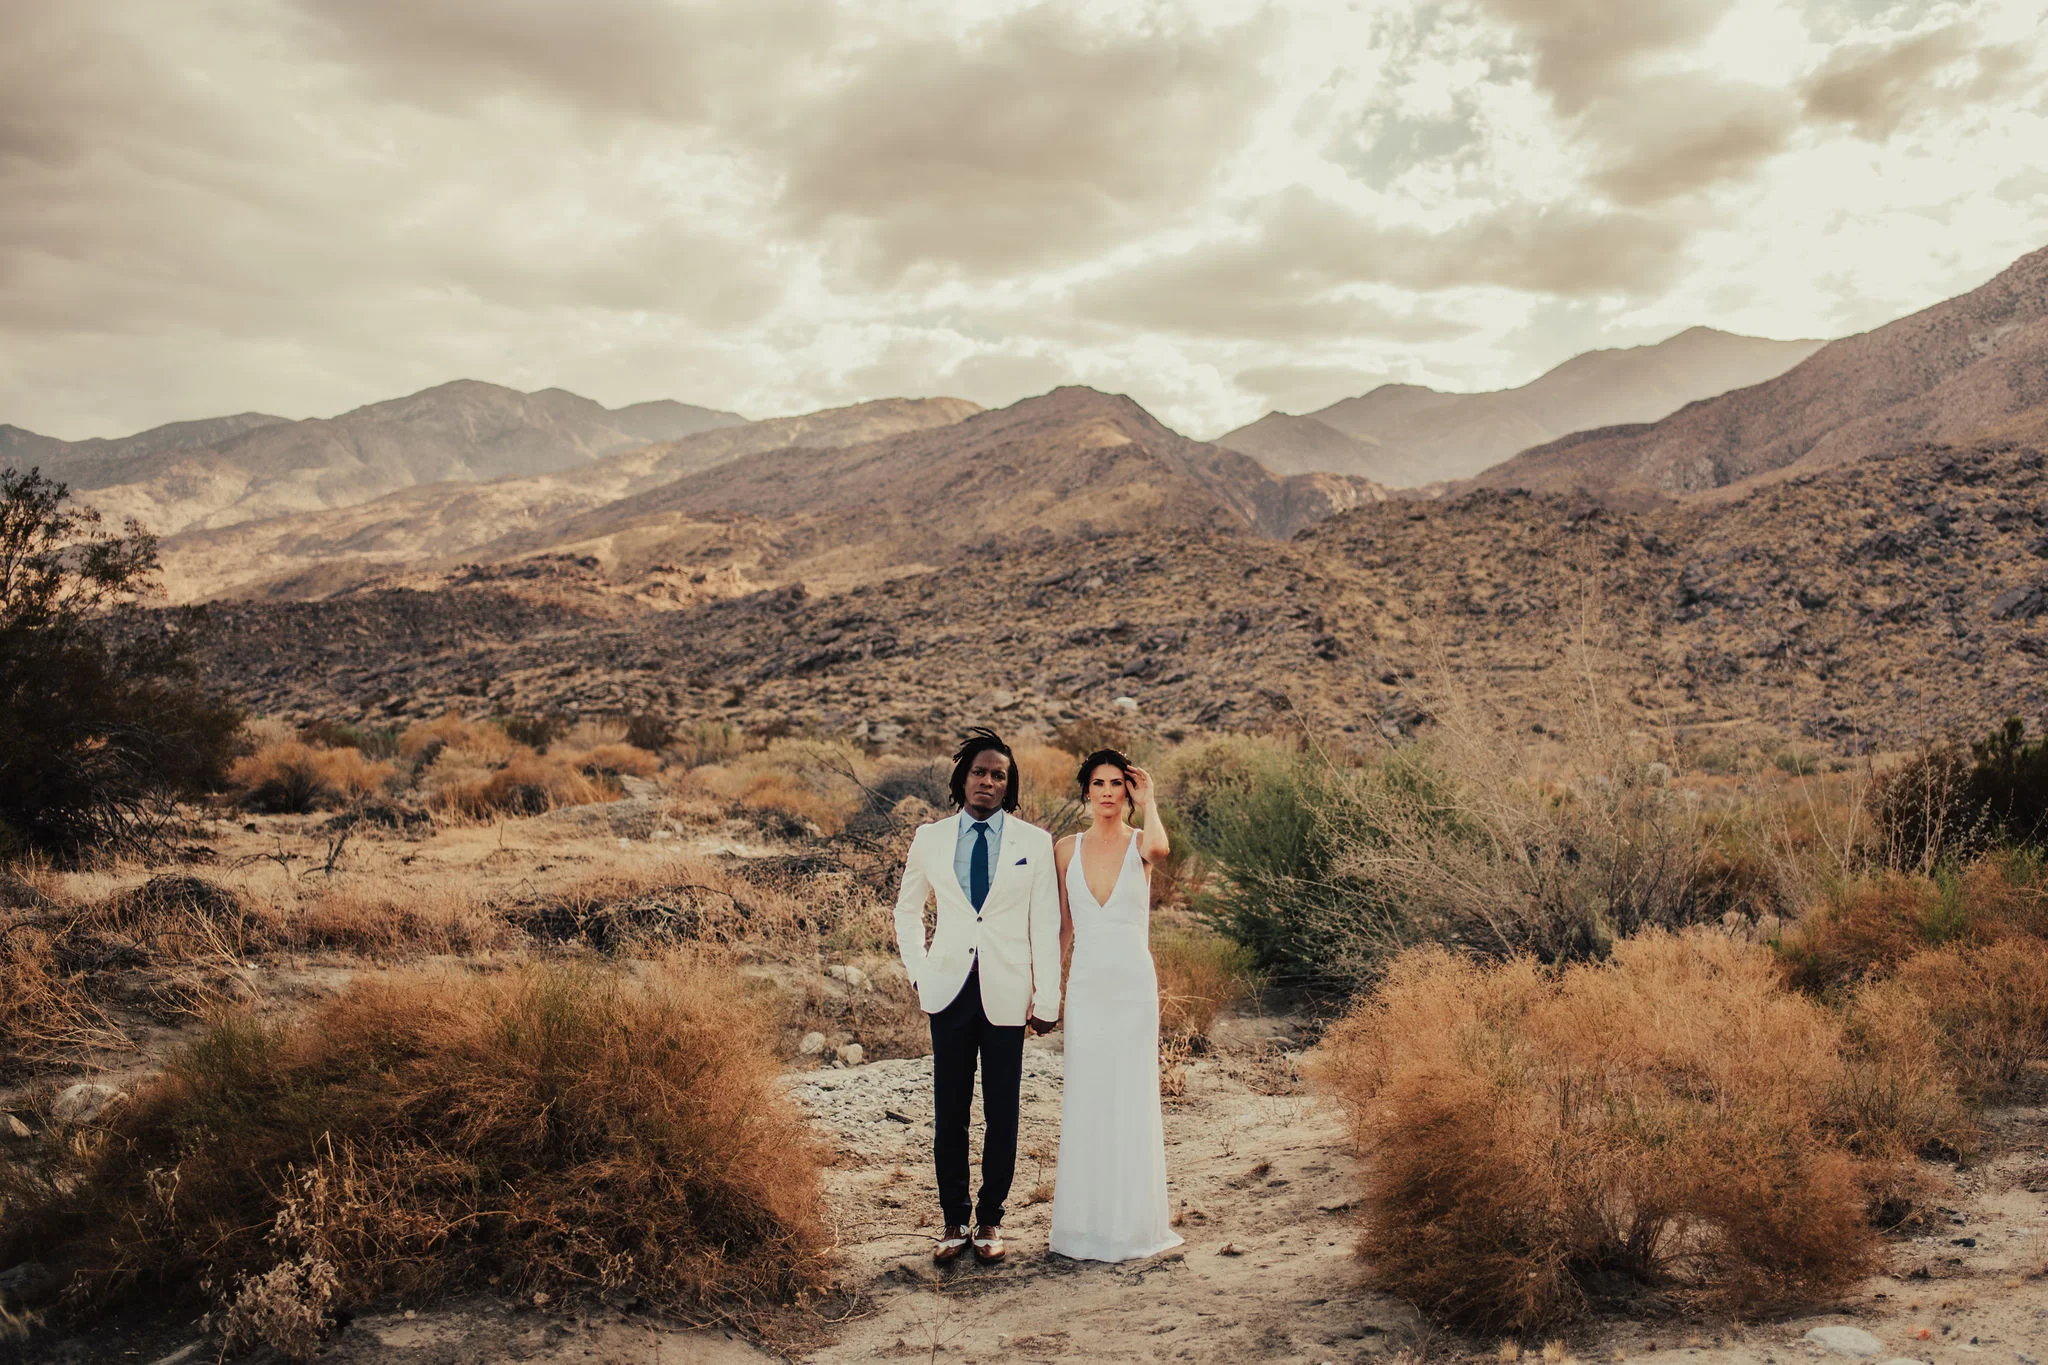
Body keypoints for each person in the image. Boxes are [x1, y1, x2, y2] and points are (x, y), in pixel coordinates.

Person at [891, 728, 1062, 1265]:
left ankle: (990, 1219)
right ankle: (953, 1220)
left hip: (1008, 991)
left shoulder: (1034, 843)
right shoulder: (930, 838)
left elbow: (1045, 923)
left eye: (998, 775)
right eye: (979, 772)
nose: (987, 781)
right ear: (963, 779)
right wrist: (919, 972)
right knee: (951, 1112)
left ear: (1009, 786)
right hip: (948, 991)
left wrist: (1048, 997)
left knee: (1002, 1111)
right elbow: (906, 911)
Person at [1048, 748, 1182, 1262]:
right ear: (1086, 791)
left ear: (1127, 791)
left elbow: (1162, 849)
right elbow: (1064, 928)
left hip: (1132, 988)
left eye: (1116, 784)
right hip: (1086, 987)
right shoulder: (1065, 849)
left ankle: (1132, 1226)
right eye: (1099, 783)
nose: (1107, 792)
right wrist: (1048, 992)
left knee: (1131, 1096)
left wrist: (1150, 801)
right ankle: (1084, 1228)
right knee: (1087, 1097)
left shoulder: (1141, 843)